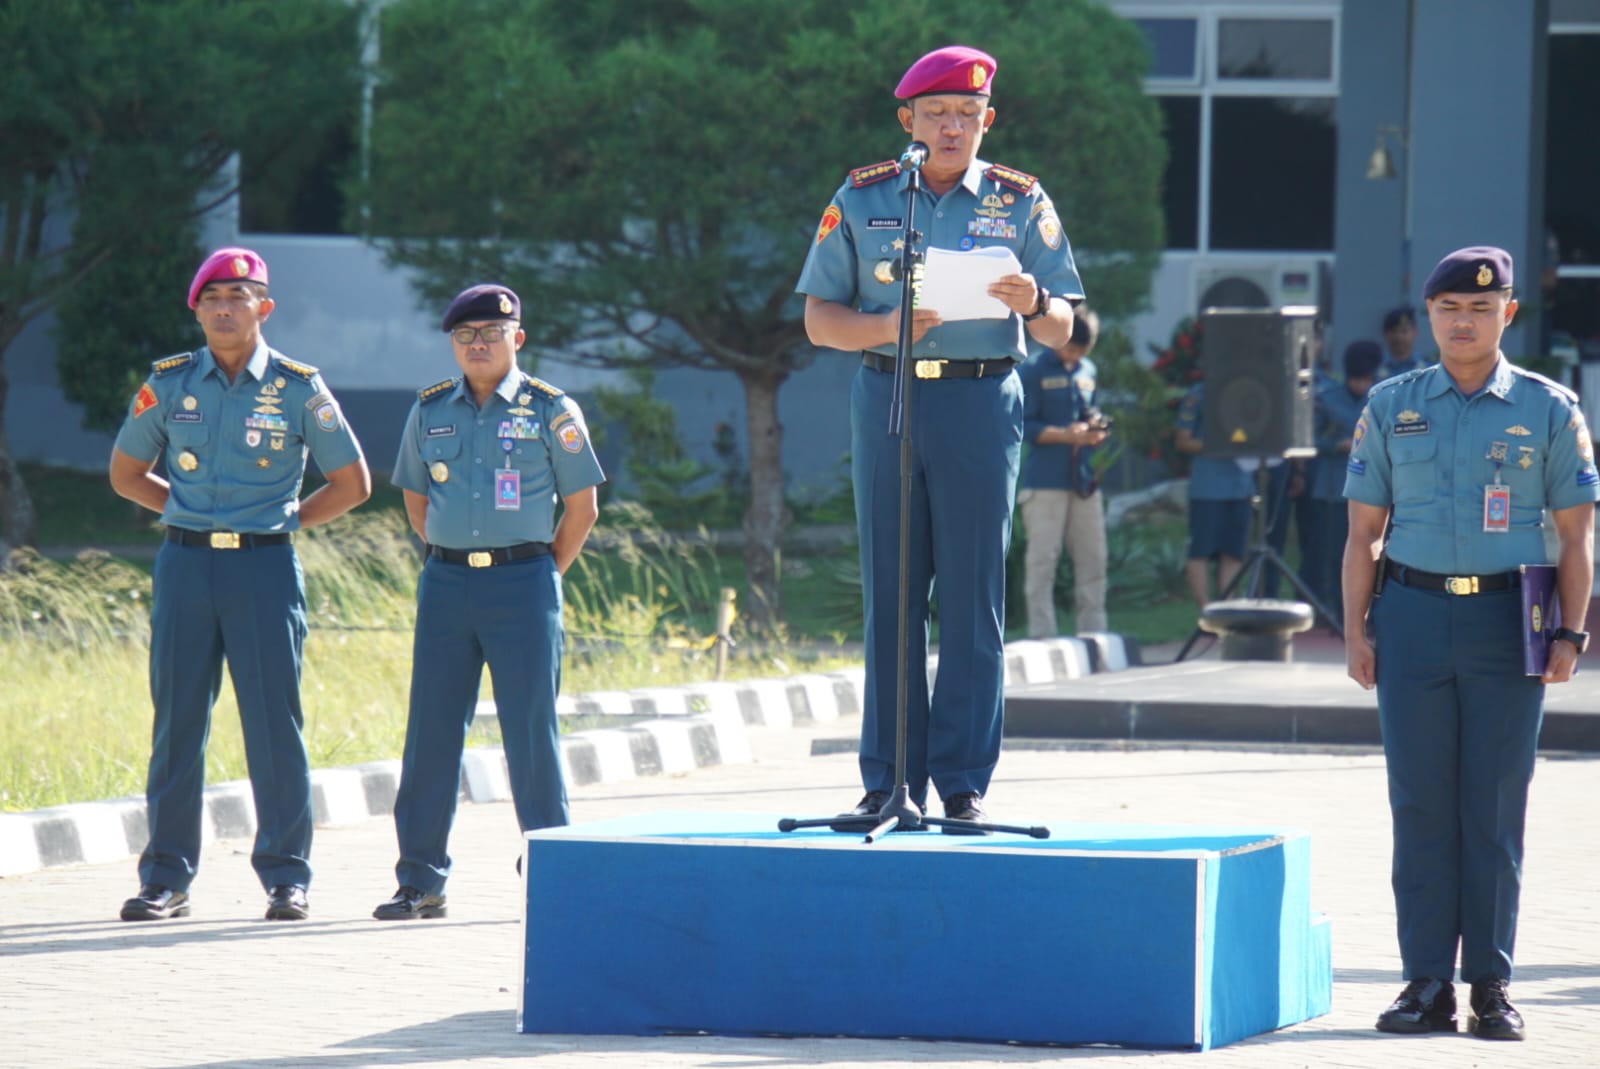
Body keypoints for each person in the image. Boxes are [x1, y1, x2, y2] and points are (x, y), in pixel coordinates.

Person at [796, 45, 1083, 830]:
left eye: (967, 115)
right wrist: (885, 325)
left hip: (980, 403)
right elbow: (820, 319)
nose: (952, 127)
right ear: (908, 122)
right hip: (888, 395)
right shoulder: (865, 197)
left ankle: (962, 780)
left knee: (971, 598)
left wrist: (1033, 302)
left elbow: (1066, 325)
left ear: (987, 121)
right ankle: (889, 778)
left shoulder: (1022, 201)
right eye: (936, 115)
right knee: (892, 593)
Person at [1343, 247, 1597, 1041]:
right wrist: (1355, 630)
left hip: (1506, 624)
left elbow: (1575, 534)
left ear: (1508, 314)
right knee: (1419, 802)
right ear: (1429, 315)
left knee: (1493, 806)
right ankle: (1425, 982)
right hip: (1413, 617)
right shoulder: (1391, 405)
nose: (1464, 320)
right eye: (1450, 307)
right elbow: (1362, 534)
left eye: (1481, 308)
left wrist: (1570, 629)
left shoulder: (1550, 408)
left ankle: (1491, 983)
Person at [109, 247, 372, 922]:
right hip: (186, 565)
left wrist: (282, 522)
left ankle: (287, 876)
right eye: (212, 297)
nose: (224, 307)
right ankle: (165, 877)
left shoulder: (297, 387)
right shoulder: (168, 382)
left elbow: (353, 483)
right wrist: (188, 511)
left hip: (264, 569)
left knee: (273, 724)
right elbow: (126, 472)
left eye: (239, 295)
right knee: (177, 726)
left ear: (265, 307)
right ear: (196, 309)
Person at [373, 284, 603, 919]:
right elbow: (416, 503)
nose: (478, 345)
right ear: (452, 343)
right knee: (431, 731)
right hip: (447, 584)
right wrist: (455, 554)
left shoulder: (550, 410)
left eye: (491, 334)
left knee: (531, 732)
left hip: (523, 583)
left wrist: (539, 571)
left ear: (517, 339)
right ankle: (421, 880)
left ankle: (553, 869)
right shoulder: (429, 411)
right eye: (465, 336)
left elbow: (582, 507)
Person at [1017, 306, 1109, 636]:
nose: (1074, 357)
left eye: (1081, 352)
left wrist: (1093, 431)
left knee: (1093, 558)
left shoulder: (1088, 371)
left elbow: (1091, 409)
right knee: (1043, 559)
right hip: (1045, 481)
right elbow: (1023, 424)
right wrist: (1063, 434)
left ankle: (1094, 631)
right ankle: (1042, 633)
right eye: (1070, 349)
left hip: (1082, 479)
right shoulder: (1034, 370)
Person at [1304, 339, 1381, 621]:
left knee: (1372, 552)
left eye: (1365, 379)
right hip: (1332, 487)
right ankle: (1330, 611)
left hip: (1373, 491)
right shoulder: (1327, 399)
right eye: (1356, 379)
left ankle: (1368, 613)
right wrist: (1335, 444)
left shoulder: (1382, 399)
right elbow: (1310, 439)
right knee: (1332, 554)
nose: (1360, 385)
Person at [1174, 380, 1253, 607]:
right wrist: (1221, 443)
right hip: (1208, 488)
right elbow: (1183, 441)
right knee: (1201, 551)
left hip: (1240, 486)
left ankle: (1228, 610)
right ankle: (1206, 610)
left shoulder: (1250, 393)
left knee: (1233, 553)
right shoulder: (1198, 394)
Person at [1377, 304, 1427, 381]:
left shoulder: (1427, 368)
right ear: (1385, 333)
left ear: (1415, 332)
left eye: (1404, 331)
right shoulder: (1374, 368)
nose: (1399, 337)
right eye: (1394, 331)